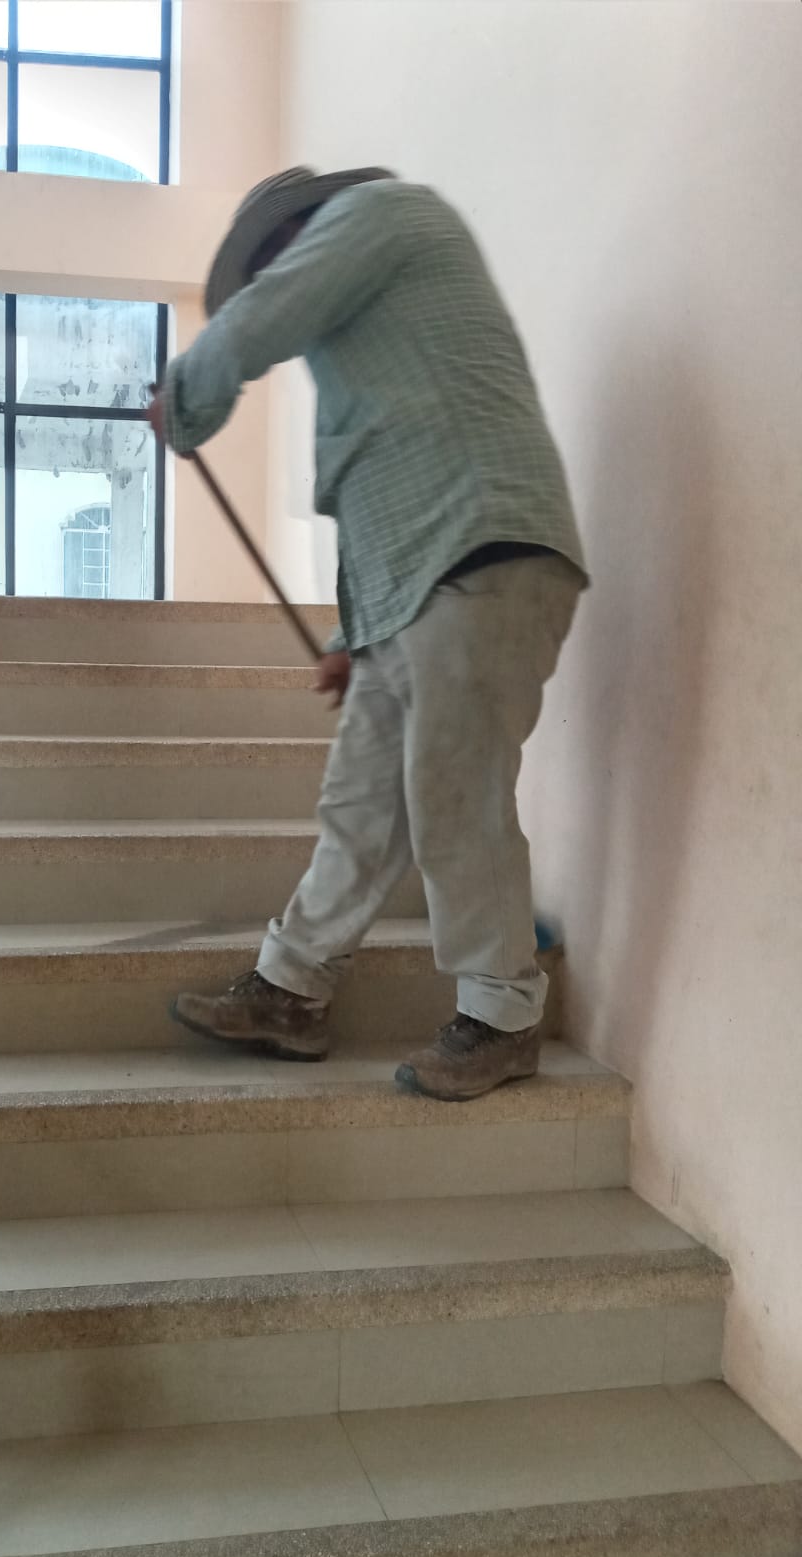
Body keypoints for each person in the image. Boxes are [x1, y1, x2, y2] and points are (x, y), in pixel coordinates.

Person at [147, 166, 587, 1103]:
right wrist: (355, 635)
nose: (274, 277)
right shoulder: (370, 350)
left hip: (481, 550)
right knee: (360, 804)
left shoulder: (380, 213)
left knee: (455, 796)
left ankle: (503, 1017)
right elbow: (377, 483)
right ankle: (291, 990)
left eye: (271, 261)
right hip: (418, 583)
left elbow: (264, 316)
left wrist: (184, 399)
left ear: (295, 232)